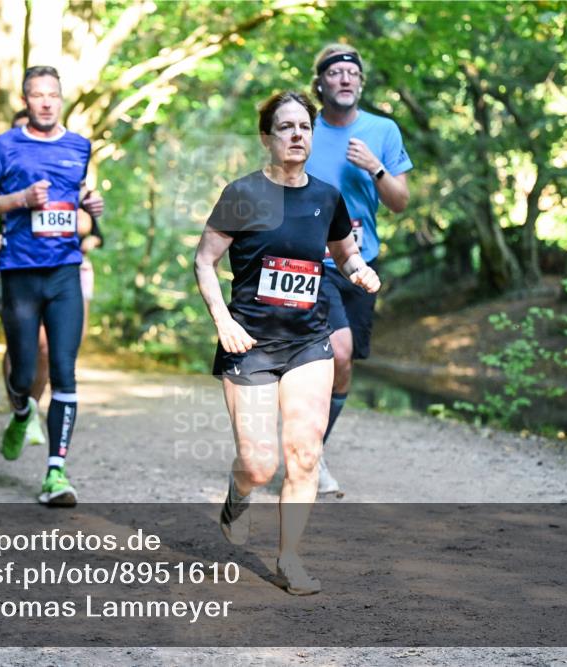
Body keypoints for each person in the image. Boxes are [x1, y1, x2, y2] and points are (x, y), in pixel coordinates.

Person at [194, 91, 380, 595]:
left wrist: (360, 272)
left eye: (304, 126)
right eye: (286, 127)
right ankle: (239, 492)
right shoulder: (243, 193)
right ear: (267, 137)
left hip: (308, 342)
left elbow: (345, 254)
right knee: (261, 464)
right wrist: (221, 320)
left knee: (303, 455)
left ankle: (289, 558)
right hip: (249, 343)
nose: (297, 135)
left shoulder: (326, 196)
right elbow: (204, 260)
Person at [0, 65, 104, 506]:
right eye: (37, 95)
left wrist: (90, 205)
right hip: (20, 271)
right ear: (25, 100)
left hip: (65, 270)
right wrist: (19, 201)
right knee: (23, 373)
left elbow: (77, 199)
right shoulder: (5, 146)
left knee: (64, 369)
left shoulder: (79, 146)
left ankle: (55, 473)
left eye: (53, 95)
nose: (46, 102)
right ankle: (21, 414)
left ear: (61, 99)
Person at [306, 44, 412, 495]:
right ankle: (307, 457)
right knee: (335, 354)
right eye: (336, 73)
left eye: (353, 73)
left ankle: (311, 450)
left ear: (361, 84)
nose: (345, 79)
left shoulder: (382, 130)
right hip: (308, 263)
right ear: (321, 83)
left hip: (358, 263)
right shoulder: (303, 127)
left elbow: (400, 202)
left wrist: (376, 167)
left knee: (344, 366)